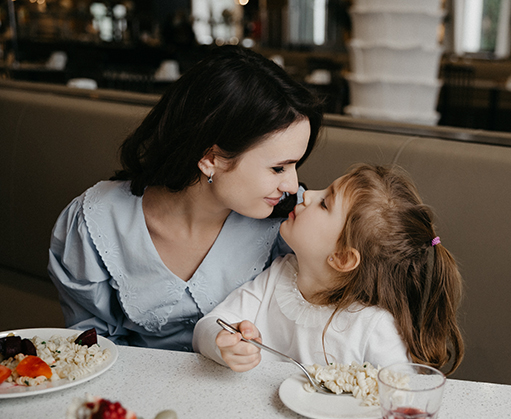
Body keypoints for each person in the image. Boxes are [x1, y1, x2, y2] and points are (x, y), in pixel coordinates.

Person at [47, 45, 323, 351]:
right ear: (211, 158)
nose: (293, 184)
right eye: (278, 167)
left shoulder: (295, 218)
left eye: (296, 165)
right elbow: (92, 346)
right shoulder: (96, 223)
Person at [193, 163, 465, 375]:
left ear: (343, 258)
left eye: (325, 203)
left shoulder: (373, 326)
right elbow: (207, 325)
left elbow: (401, 395)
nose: (306, 194)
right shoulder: (278, 277)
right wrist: (221, 343)